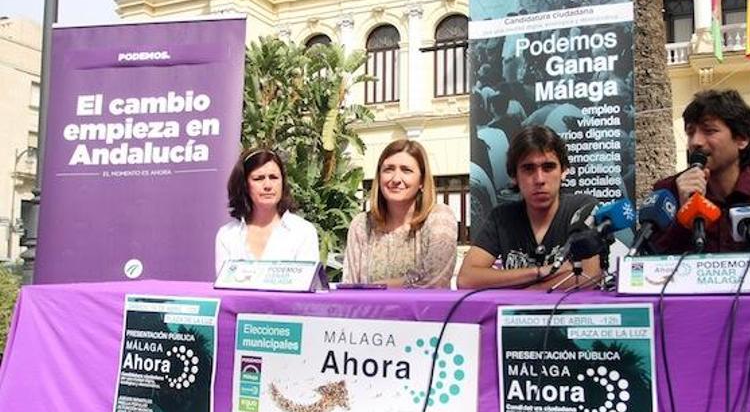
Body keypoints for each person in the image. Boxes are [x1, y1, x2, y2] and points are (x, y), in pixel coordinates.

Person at [650, 89, 750, 279]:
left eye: (709, 131)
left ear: (742, 139)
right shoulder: (669, 190)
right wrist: (684, 217)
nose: (695, 142)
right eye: (690, 132)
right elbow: (650, 271)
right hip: (692, 306)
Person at [457, 126, 601, 289]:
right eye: (528, 168)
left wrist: (525, 291)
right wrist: (540, 272)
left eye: (548, 167)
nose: (539, 179)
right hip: (514, 314)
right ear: (514, 176)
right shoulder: (502, 218)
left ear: (564, 171)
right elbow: (466, 279)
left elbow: (589, 276)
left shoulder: (582, 209)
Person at [342, 139, 458, 288]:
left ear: (421, 181)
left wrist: (379, 287)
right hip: (370, 311)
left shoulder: (440, 217)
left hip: (425, 311)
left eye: (406, 170)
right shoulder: (361, 224)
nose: (396, 179)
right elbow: (351, 286)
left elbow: (435, 282)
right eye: (389, 169)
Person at [215, 148, 319, 274]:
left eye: (274, 177)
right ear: (244, 185)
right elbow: (225, 288)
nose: (268, 185)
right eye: (258, 178)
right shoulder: (227, 235)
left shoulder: (303, 232)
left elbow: (306, 285)